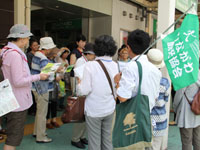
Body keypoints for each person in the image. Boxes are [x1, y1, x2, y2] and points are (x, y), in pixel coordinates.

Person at [1, 24, 49, 150]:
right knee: (13, 139)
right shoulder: (15, 55)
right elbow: (18, 81)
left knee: (12, 135)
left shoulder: (4, 51)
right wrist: (39, 76)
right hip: (17, 101)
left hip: (8, 98)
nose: (28, 40)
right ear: (21, 38)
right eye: (27, 38)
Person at [115, 29, 161, 150]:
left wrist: (117, 82)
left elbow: (123, 97)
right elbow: (155, 96)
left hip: (132, 120)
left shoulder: (131, 67)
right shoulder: (155, 70)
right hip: (147, 118)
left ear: (128, 47)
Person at [77, 35, 118, 150]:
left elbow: (84, 91)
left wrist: (79, 83)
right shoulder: (115, 66)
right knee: (107, 140)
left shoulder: (90, 66)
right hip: (109, 107)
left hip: (94, 110)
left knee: (94, 143)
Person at [31, 37, 58, 143]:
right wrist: (56, 71)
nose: (51, 50)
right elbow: (45, 75)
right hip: (42, 88)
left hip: (35, 87)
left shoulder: (37, 55)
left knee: (39, 112)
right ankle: (41, 137)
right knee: (42, 113)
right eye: (51, 48)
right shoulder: (43, 58)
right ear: (47, 49)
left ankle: (36, 132)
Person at [71, 43, 95, 149]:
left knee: (85, 117)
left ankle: (82, 136)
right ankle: (75, 139)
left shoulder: (88, 61)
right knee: (80, 118)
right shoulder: (81, 61)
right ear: (88, 54)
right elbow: (80, 77)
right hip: (81, 93)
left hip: (87, 92)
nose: (94, 57)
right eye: (93, 55)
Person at [146, 49, 170, 150]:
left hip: (146, 117)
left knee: (145, 145)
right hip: (160, 117)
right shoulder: (165, 82)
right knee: (156, 145)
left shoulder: (144, 79)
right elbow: (166, 99)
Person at [173, 69, 200, 150]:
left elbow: (178, 96)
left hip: (186, 113)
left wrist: (175, 108)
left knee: (186, 141)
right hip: (198, 112)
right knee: (198, 140)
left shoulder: (185, 75)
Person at [46, 48, 61, 129]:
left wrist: (58, 74)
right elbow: (46, 73)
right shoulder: (46, 60)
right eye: (56, 53)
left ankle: (54, 119)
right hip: (48, 84)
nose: (57, 54)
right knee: (48, 103)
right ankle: (47, 121)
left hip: (55, 84)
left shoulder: (54, 61)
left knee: (54, 102)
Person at [26, 37, 39, 115]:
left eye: (37, 45)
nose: (36, 47)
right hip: (32, 75)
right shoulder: (29, 55)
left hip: (37, 76)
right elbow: (30, 65)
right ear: (31, 46)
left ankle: (35, 109)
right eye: (34, 45)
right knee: (32, 93)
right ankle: (32, 110)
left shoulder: (38, 54)